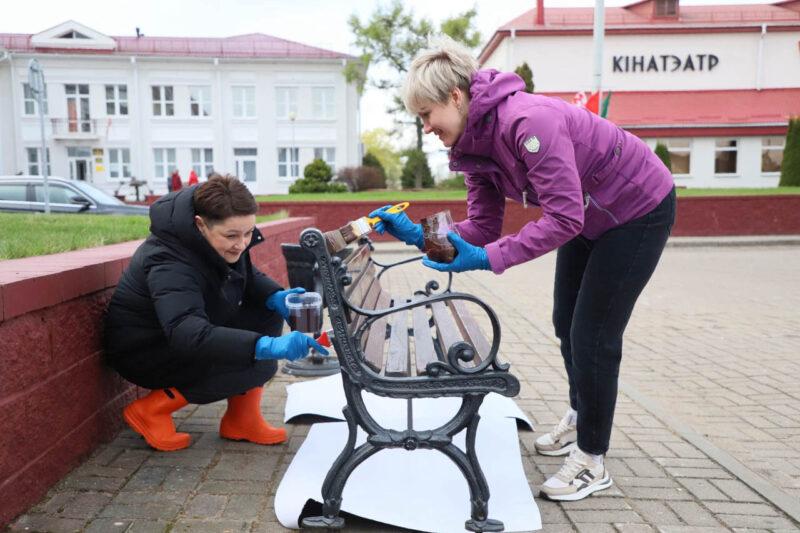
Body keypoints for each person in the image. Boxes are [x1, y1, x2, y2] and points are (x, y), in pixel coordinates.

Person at [369, 37, 675, 501]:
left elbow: (563, 218)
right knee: (564, 322)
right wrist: (417, 234)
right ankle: (580, 414)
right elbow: (484, 225)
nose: (426, 126)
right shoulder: (472, 148)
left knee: (593, 335)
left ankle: (592, 459)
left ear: (456, 97)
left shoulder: (528, 122)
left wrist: (491, 260)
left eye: (427, 113)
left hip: (637, 208)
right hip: (591, 215)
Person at [104, 173, 327, 452]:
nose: (242, 243)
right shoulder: (168, 259)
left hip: (179, 332)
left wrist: (276, 296)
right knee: (255, 359)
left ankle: (241, 419)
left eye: (248, 233)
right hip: (146, 351)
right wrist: (265, 345)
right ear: (200, 224)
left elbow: (247, 277)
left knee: (264, 312)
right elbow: (187, 332)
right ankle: (152, 409)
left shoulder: (220, 240)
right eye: (232, 235)